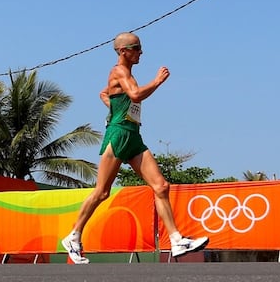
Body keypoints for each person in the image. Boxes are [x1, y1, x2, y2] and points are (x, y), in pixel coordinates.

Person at [61, 32, 209, 265]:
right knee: (102, 191)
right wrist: (158, 81)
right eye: (137, 47)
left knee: (161, 186)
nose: (141, 52)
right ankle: (73, 236)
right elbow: (136, 94)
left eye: (140, 47)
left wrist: (114, 107)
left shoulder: (125, 75)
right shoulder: (119, 71)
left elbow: (104, 93)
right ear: (123, 51)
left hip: (133, 136)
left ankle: (176, 239)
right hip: (119, 134)